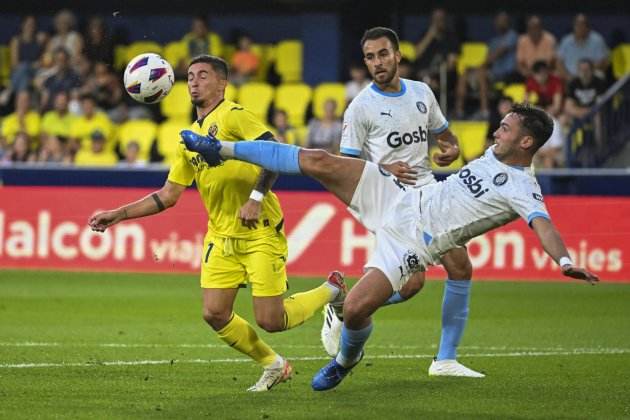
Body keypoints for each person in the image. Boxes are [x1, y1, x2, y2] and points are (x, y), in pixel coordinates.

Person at [179, 103, 599, 391]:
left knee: (359, 307)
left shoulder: (525, 189)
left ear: (526, 143)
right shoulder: (492, 154)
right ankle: (222, 149)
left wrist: (564, 260)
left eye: (505, 128)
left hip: (414, 243)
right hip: (400, 195)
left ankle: (345, 361)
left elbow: (542, 225)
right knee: (319, 160)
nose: (496, 131)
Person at [88, 55, 347, 392]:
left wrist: (254, 198)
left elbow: (275, 151)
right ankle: (274, 365)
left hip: (259, 229)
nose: (194, 82)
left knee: (271, 320)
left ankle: (333, 290)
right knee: (214, 313)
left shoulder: (234, 115)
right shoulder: (188, 138)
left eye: (203, 76)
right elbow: (168, 195)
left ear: (222, 83)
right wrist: (119, 214)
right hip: (221, 235)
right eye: (190, 76)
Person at [321, 26, 478, 378]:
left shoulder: (422, 92)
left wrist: (449, 148)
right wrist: (383, 167)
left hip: (429, 191)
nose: (376, 62)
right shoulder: (361, 107)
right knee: (453, 268)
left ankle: (345, 310)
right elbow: (346, 167)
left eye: (382, 54)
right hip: (392, 200)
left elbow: (444, 135)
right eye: (369, 57)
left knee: (415, 283)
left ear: (397, 55)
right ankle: (444, 359)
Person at [557, 14, 609, 80]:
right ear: (574, 27)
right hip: (570, 77)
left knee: (600, 75)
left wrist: (587, 73)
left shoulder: (597, 40)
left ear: (588, 27)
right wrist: (568, 77)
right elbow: (559, 63)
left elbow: (603, 61)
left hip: (591, 75)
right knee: (557, 75)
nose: (580, 28)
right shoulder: (566, 41)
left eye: (583, 25)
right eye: (577, 25)